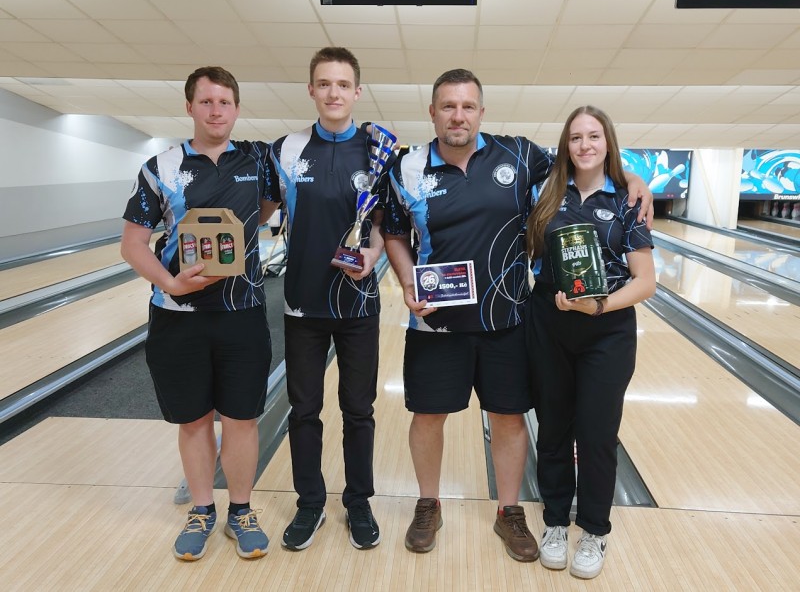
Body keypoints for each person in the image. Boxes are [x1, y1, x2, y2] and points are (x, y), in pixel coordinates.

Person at [383, 69, 653, 562]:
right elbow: (395, 233)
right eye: (448, 106)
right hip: (436, 321)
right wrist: (405, 281)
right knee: (427, 415)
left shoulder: (520, 155)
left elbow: (585, 164)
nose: (458, 116)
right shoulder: (407, 167)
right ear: (433, 112)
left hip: (507, 320)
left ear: (481, 112)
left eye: (468, 106)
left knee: (508, 417)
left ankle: (509, 512)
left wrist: (633, 179)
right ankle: (428, 504)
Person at [120, 66, 279, 561]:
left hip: (242, 311)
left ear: (237, 108)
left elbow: (264, 210)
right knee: (193, 420)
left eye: (225, 102)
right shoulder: (161, 166)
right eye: (206, 102)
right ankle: (202, 510)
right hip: (177, 314)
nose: (216, 111)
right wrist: (171, 283)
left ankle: (241, 511)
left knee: (242, 418)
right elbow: (133, 244)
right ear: (189, 107)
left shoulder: (258, 159)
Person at [525, 105, 656, 579]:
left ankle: (595, 531)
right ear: (566, 144)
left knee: (597, 435)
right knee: (553, 430)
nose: (585, 145)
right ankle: (555, 523)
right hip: (549, 323)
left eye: (594, 136)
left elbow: (646, 281)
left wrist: (600, 306)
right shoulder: (544, 192)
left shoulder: (627, 200)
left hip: (607, 329)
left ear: (607, 143)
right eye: (576, 137)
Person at [268, 47, 389, 551]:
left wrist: (373, 256)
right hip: (303, 304)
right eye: (324, 83)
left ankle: (358, 501)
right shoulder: (287, 150)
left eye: (342, 84)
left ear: (357, 91)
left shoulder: (379, 150)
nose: (333, 92)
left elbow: (383, 225)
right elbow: (256, 211)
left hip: (357, 303)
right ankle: (310, 503)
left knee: (359, 409)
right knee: (304, 411)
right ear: (311, 90)